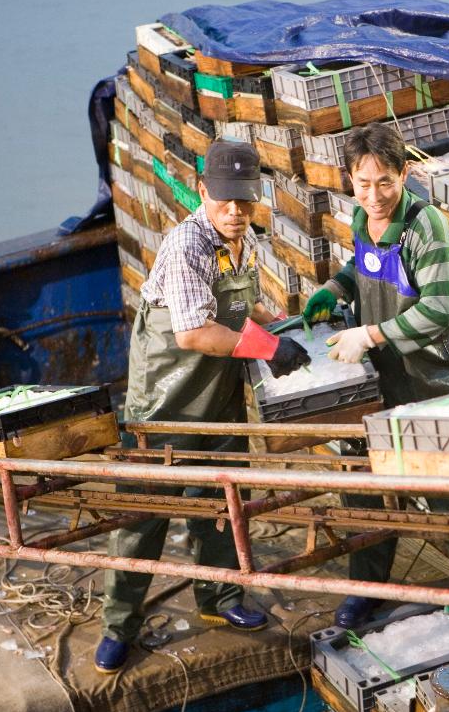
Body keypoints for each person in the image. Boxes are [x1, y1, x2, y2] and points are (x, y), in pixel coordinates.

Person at [95, 140, 311, 674]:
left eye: (245, 201)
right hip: (167, 394)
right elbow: (192, 333)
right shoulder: (185, 245)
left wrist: (283, 324)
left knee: (223, 497)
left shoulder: (246, 240)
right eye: (224, 201)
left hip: (218, 394)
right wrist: (267, 347)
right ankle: (119, 623)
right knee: (144, 510)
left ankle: (221, 600)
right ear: (202, 192)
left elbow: (240, 306)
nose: (235, 212)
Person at [301, 122, 449, 629]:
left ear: (405, 174)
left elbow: (440, 311)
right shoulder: (364, 218)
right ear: (349, 180)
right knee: (364, 484)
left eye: (385, 183)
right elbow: (365, 265)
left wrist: (369, 336)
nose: (374, 196)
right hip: (382, 381)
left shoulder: (426, 226)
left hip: (433, 382)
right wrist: (336, 286)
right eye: (363, 183)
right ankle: (367, 586)